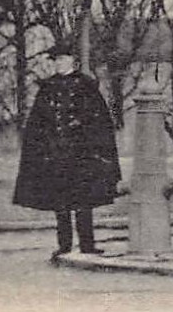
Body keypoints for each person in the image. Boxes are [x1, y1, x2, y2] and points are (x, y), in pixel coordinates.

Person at [12, 41, 122, 260]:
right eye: (56, 60)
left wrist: (92, 146)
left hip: (82, 156)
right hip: (56, 156)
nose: (59, 63)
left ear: (73, 60)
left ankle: (87, 245)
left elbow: (100, 123)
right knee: (60, 202)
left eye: (62, 59)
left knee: (84, 202)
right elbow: (37, 124)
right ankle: (64, 245)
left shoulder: (86, 86)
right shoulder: (48, 88)